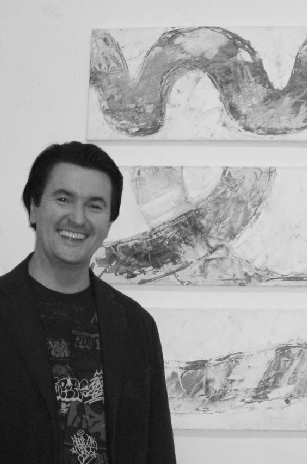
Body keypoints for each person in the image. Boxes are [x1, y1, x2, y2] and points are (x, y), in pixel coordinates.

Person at [0, 141, 177, 464]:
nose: (78, 218)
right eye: (63, 199)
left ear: (108, 222)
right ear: (34, 207)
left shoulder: (136, 326)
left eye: (95, 206)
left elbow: (158, 448)